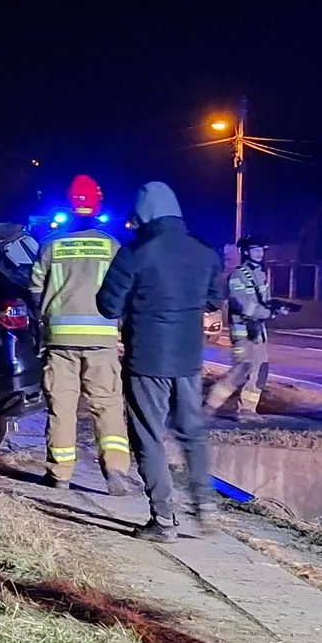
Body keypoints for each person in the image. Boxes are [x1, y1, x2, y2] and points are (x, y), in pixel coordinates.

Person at [96, 181, 224, 543]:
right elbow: (214, 299)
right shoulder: (203, 252)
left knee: (148, 437)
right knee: (192, 432)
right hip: (189, 359)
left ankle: (164, 520)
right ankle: (205, 504)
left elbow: (108, 306)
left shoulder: (135, 253)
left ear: (144, 214)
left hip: (147, 360)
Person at [29, 182, 133, 496]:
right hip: (102, 341)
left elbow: (34, 290)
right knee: (107, 406)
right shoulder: (112, 246)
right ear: (98, 206)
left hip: (60, 342)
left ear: (68, 205)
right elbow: (122, 292)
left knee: (62, 407)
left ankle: (59, 474)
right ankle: (115, 470)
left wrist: (44, 319)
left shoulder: (50, 244)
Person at [204, 235, 288, 420]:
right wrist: (268, 313)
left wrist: (277, 309)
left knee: (260, 371)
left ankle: (247, 410)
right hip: (243, 333)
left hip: (258, 332)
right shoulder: (238, 275)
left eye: (261, 250)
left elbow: (263, 303)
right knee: (242, 370)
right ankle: (209, 406)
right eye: (255, 250)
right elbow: (244, 305)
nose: (259, 253)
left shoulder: (261, 275)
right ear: (246, 252)